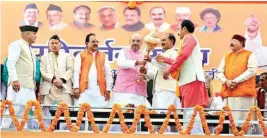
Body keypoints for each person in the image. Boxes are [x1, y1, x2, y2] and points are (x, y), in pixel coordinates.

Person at [161, 20, 209, 134]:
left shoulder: (190, 38)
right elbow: (182, 60)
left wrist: (169, 70)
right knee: (190, 112)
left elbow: (183, 56)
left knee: (191, 113)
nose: (178, 32)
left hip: (192, 80)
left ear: (184, 29)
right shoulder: (186, 40)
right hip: (188, 81)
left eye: (178, 29)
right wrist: (165, 59)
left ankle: (194, 135)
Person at [216, 34, 257, 132]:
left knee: (245, 123)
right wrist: (226, 81)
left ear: (241, 43)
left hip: (244, 95)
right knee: (231, 123)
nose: (231, 42)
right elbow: (219, 72)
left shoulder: (249, 54)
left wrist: (235, 81)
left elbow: (251, 71)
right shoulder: (226, 56)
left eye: (234, 41)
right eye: (231, 40)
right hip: (229, 93)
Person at [1, 25, 39, 128]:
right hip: (18, 86)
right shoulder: (16, 45)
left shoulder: (29, 48)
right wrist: (14, 80)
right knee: (13, 110)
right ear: (27, 34)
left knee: (24, 113)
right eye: (34, 34)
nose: (36, 36)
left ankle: (22, 133)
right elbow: (10, 63)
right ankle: (3, 132)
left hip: (29, 86)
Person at [144, 33, 181, 132]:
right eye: (162, 40)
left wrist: (151, 60)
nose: (162, 42)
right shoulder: (162, 55)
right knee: (159, 120)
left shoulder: (174, 53)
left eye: (165, 40)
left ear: (172, 41)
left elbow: (168, 68)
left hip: (167, 90)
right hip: (159, 91)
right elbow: (156, 75)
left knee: (164, 119)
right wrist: (146, 72)